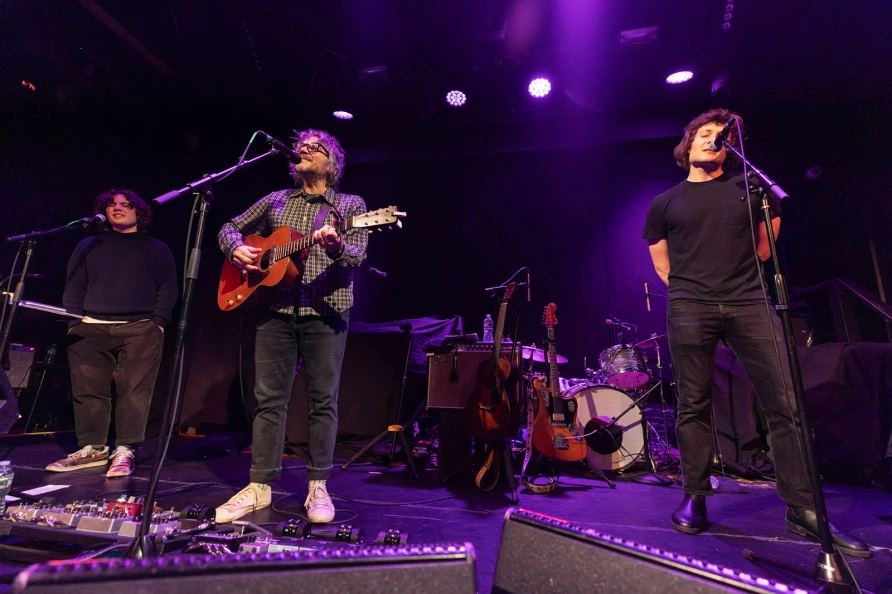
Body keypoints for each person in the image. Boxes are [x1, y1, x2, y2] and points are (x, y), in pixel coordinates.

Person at [642, 108, 869, 557]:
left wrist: (736, 283)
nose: (713, 139)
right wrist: (695, 291)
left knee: (786, 404)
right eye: (705, 133)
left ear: (730, 147)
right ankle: (695, 495)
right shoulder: (665, 203)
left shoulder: (753, 189)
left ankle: (803, 508)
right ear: (688, 143)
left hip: (750, 303)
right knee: (693, 404)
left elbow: (765, 248)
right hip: (690, 306)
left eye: (721, 135)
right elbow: (662, 265)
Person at [215, 129, 368, 524]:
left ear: (332, 163)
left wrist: (336, 247)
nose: (304, 149)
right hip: (275, 311)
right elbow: (228, 226)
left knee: (323, 402)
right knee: (268, 401)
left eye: (315, 147)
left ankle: (318, 486)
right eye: (302, 146)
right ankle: (259, 486)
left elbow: (356, 256)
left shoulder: (350, 205)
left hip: (327, 313)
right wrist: (237, 248)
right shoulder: (276, 199)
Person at [49, 189, 177, 477]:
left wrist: (158, 322)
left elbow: (167, 287)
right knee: (88, 390)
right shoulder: (88, 245)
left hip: (140, 328)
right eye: (111, 204)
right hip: (89, 327)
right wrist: (74, 322)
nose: (117, 208)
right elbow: (74, 285)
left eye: (125, 204)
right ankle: (93, 448)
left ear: (139, 212)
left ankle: (125, 449)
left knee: (134, 391)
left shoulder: (156, 247)